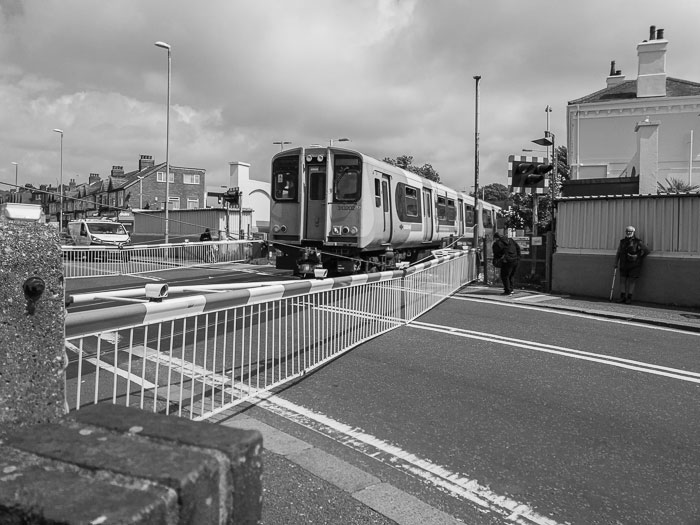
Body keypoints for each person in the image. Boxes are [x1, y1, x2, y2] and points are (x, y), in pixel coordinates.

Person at [614, 225, 650, 304]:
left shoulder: (638, 242)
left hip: (634, 265)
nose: (628, 233)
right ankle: (622, 297)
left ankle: (629, 298)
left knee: (632, 281)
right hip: (623, 264)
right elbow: (618, 252)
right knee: (622, 280)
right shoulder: (622, 241)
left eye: (630, 231)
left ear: (633, 232)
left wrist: (639, 257)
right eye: (627, 231)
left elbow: (647, 250)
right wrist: (616, 262)